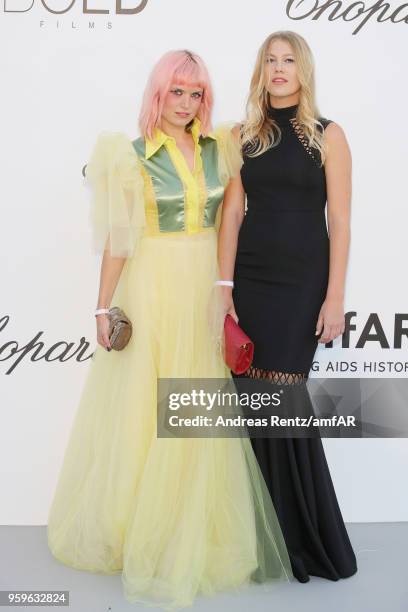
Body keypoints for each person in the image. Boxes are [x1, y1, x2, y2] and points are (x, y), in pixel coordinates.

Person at [47, 49, 293, 609]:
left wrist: (228, 287)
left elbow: (233, 218)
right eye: (177, 91)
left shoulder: (221, 148)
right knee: (146, 410)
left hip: (206, 284)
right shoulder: (129, 156)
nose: (186, 104)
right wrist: (101, 308)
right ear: (158, 93)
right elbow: (118, 241)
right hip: (154, 287)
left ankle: (192, 529)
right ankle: (140, 529)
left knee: (196, 408)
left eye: (197, 93)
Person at [218, 31, 358, 583]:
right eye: (270, 61)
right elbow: (230, 217)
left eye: (288, 60)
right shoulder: (242, 136)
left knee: (286, 401)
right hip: (250, 280)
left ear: (303, 70)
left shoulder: (330, 135)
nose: (279, 69)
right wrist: (223, 288)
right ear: (261, 70)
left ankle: (303, 539)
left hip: (302, 284)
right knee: (255, 407)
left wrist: (335, 296)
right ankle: (265, 540)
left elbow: (340, 222)